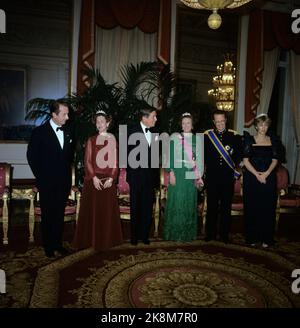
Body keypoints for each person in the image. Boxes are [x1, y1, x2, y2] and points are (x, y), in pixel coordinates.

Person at [27, 100, 74, 258]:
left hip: (63, 182)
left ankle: (57, 244)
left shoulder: (68, 131)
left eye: (67, 113)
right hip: (46, 182)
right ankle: (48, 246)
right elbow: (32, 157)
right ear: (54, 115)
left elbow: (68, 159)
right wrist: (41, 178)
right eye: (64, 114)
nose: (67, 117)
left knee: (58, 215)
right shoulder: (39, 132)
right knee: (48, 215)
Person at [73, 110, 123, 251]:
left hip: (108, 181)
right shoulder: (91, 140)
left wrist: (112, 178)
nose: (100, 124)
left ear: (108, 123)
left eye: (102, 121)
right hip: (93, 180)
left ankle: (107, 240)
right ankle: (91, 240)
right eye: (97, 122)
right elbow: (87, 161)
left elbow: (115, 161)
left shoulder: (113, 139)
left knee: (106, 212)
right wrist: (94, 177)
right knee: (93, 211)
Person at [243, 114, 282, 248]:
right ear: (256, 126)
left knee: (267, 207)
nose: (263, 127)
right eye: (260, 124)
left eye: (265, 125)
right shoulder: (249, 139)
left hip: (268, 178)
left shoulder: (273, 140)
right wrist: (257, 174)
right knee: (253, 207)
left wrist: (266, 174)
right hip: (252, 178)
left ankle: (266, 238)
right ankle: (252, 237)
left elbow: (275, 160)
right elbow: (245, 160)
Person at [163, 113, 204, 242]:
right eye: (184, 123)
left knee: (188, 201)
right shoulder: (175, 137)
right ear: (181, 124)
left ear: (192, 124)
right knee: (177, 201)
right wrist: (171, 173)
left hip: (190, 173)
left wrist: (198, 176)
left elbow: (200, 160)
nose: (186, 125)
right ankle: (174, 233)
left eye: (188, 123)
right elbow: (169, 156)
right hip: (177, 172)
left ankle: (187, 234)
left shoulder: (198, 139)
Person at [204, 110, 242, 243]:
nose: (219, 124)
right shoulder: (207, 136)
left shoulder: (235, 137)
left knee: (226, 207)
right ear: (214, 122)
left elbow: (238, 157)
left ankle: (224, 235)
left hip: (227, 178)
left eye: (222, 121)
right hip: (212, 178)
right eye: (217, 121)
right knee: (212, 207)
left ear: (226, 120)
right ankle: (210, 234)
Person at [126, 107, 159, 245]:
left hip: (150, 178)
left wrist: (156, 180)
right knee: (136, 208)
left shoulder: (156, 133)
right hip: (136, 177)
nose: (156, 119)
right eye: (154, 116)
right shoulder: (131, 132)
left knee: (147, 208)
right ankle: (134, 237)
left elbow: (156, 158)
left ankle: (144, 236)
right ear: (144, 118)